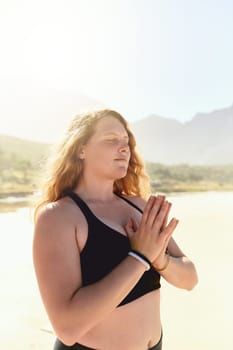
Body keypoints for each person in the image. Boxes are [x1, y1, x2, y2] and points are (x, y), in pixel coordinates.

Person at [33, 109, 198, 350]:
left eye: (126, 142)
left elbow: (190, 279)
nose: (124, 148)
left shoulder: (140, 206)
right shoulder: (59, 217)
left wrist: (159, 257)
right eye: (111, 140)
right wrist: (139, 257)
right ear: (81, 149)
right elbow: (67, 329)